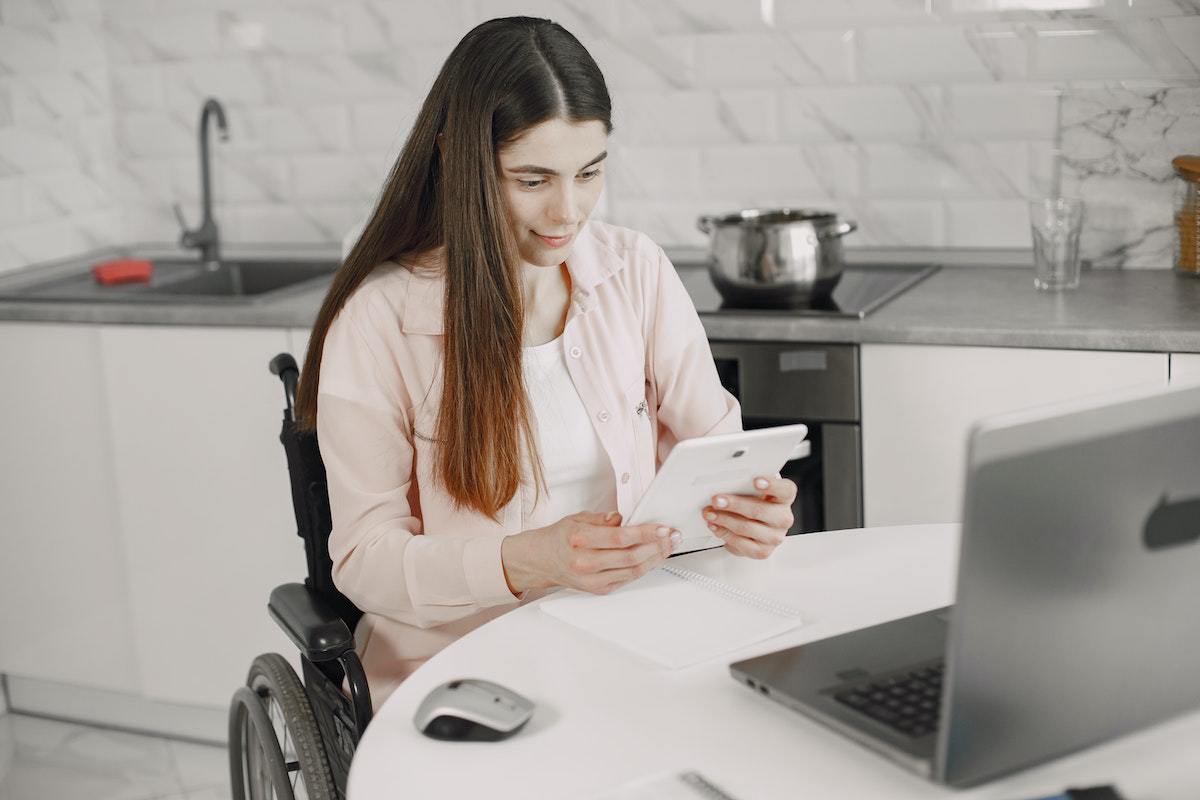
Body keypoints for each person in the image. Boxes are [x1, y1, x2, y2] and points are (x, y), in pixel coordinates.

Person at [294, 16, 798, 710]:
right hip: (466, 662)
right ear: (456, 160)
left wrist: (751, 506)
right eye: (532, 180)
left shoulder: (636, 271)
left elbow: (720, 451)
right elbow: (364, 562)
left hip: (639, 630)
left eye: (588, 173)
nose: (569, 211)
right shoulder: (380, 320)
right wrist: (526, 560)